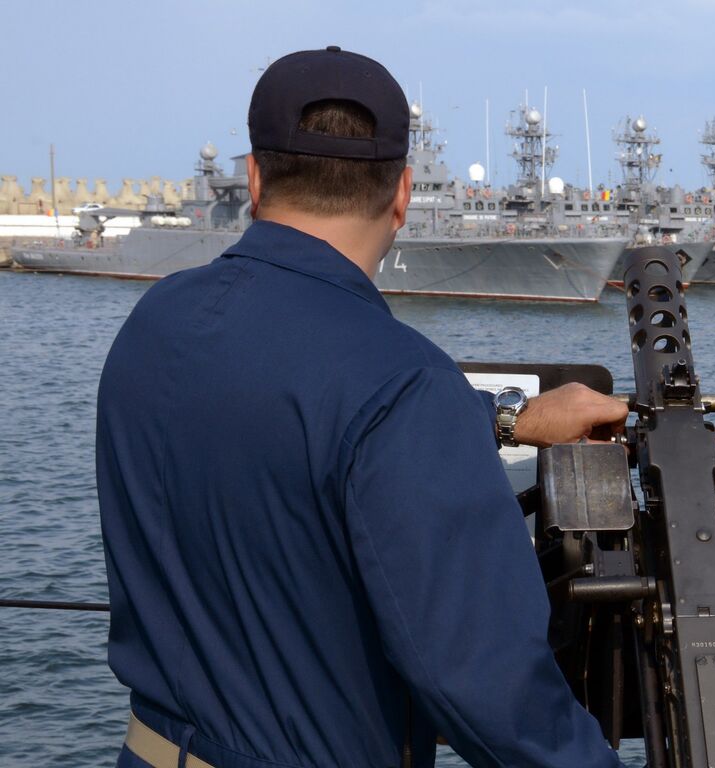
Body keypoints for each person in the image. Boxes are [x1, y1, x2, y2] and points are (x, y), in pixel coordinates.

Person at [96, 47, 625, 767]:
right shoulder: (405, 385)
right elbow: (490, 689)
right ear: (403, 192)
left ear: (254, 179)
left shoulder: (154, 323)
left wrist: (504, 417)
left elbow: (290, 400)